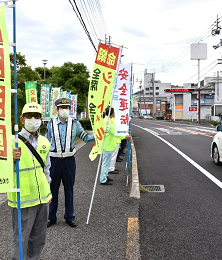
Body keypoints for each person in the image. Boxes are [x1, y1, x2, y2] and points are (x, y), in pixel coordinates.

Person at [8, 102, 51, 260]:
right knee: (21, 240)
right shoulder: (12, 142)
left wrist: (49, 192)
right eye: (29, 116)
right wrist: (10, 160)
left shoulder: (45, 142)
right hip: (23, 199)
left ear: (41, 120)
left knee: (39, 239)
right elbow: (0, 170)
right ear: (22, 119)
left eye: (37, 116)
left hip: (43, 198)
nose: (33, 119)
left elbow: (47, 170)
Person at [45, 97, 95, 228]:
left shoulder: (75, 124)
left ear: (69, 109)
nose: (64, 110)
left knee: (69, 189)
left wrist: (99, 134)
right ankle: (51, 217)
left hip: (69, 161)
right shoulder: (51, 123)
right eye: (61, 108)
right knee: (52, 190)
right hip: (54, 161)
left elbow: (85, 137)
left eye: (66, 108)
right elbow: (45, 141)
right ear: (57, 109)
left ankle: (69, 216)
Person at [101, 107, 131, 185]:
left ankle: (105, 177)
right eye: (114, 112)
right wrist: (125, 137)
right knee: (105, 163)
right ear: (112, 113)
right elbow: (115, 132)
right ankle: (103, 179)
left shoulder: (107, 120)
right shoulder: (108, 122)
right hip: (107, 145)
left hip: (108, 144)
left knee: (107, 163)